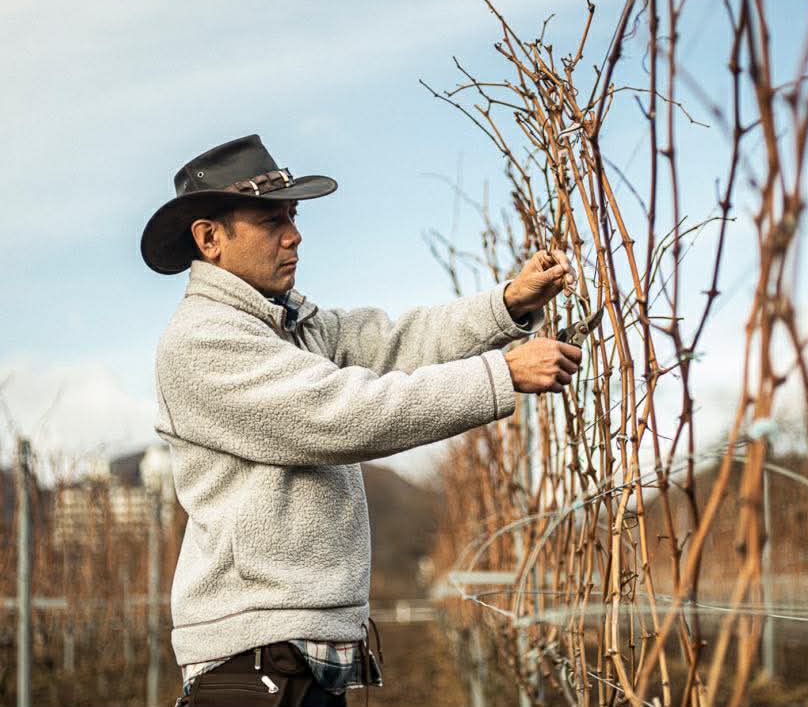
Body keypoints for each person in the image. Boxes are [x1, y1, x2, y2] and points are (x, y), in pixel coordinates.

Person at [141, 135, 583, 707]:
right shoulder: (203, 341)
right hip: (253, 666)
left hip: (295, 659)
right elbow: (341, 414)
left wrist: (509, 304)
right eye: (270, 219)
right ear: (210, 238)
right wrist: (500, 374)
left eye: (293, 216)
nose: (294, 234)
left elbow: (398, 343)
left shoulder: (294, 326)